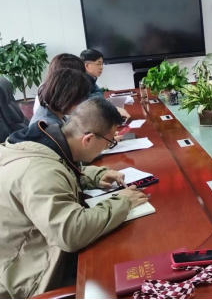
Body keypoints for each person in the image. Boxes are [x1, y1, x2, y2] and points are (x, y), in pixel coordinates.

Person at [0, 98, 149, 299]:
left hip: (34, 251)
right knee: (123, 277)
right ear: (88, 139)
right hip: (26, 279)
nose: (107, 148)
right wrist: (124, 202)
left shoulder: (44, 142)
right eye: (109, 143)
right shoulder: (40, 172)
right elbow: (71, 233)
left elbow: (61, 169)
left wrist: (96, 175)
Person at [80, 49, 130, 120]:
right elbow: (88, 102)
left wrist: (96, 95)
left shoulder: (91, 79)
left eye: (102, 64)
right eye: (98, 64)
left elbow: (100, 93)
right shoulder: (82, 82)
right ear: (87, 65)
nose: (101, 67)